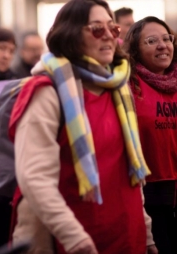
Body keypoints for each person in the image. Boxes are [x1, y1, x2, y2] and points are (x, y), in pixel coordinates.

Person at [8, 1, 157, 253]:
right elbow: (34, 178)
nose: (109, 36)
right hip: (75, 237)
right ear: (71, 34)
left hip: (127, 233)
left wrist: (147, 232)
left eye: (113, 29)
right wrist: (73, 236)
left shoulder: (118, 86)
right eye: (97, 29)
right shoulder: (47, 91)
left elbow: (130, 171)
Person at [123, 16, 177, 254]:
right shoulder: (127, 85)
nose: (163, 45)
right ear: (135, 49)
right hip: (147, 192)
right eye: (152, 41)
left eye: (167, 39)